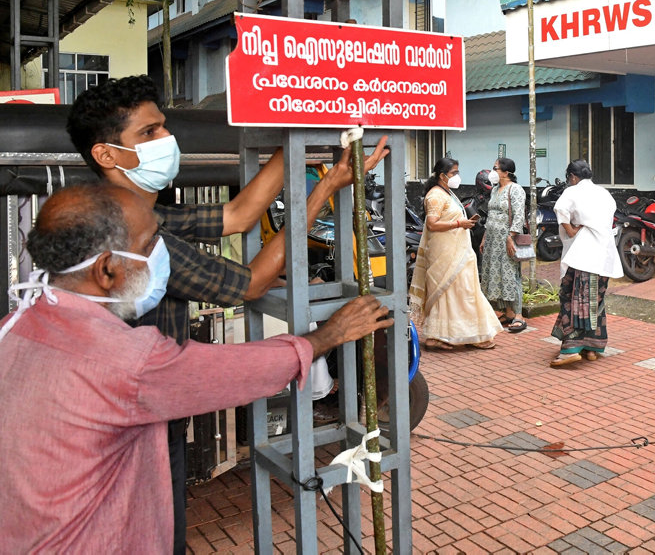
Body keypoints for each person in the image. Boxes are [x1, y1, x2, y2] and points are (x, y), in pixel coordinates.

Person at [66, 75, 387, 553]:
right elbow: (251, 283)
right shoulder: (138, 242)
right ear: (107, 155)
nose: (166, 140)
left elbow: (236, 215)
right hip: (134, 431)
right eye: (149, 133)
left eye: (163, 128)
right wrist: (324, 191)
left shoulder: (128, 212)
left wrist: (293, 141)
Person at [0, 183, 392, 552]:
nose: (161, 253)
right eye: (151, 243)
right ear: (106, 270)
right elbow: (236, 371)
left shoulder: (13, 327)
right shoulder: (124, 359)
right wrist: (327, 336)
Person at [409, 157, 501, 350]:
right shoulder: (435, 196)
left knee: (462, 292)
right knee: (451, 292)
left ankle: (453, 335)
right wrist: (460, 224)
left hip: (459, 251)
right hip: (445, 254)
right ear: (442, 176)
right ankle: (443, 337)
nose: (457, 177)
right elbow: (432, 224)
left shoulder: (447, 192)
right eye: (453, 173)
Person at [549, 159, 623, 368]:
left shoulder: (572, 192)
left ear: (572, 176)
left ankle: (570, 350)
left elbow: (560, 209)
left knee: (574, 298)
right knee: (595, 298)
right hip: (604, 254)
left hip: (583, 253)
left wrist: (571, 230)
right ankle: (592, 347)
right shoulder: (604, 193)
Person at [479, 158, 527, 332]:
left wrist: (511, 236)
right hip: (493, 240)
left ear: (506, 172)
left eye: (495, 168)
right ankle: (508, 312)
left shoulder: (516, 190)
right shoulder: (495, 190)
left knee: (511, 275)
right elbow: (490, 215)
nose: (492, 171)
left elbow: (519, 215)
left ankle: (519, 315)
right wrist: (485, 238)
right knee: (497, 275)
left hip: (507, 239)